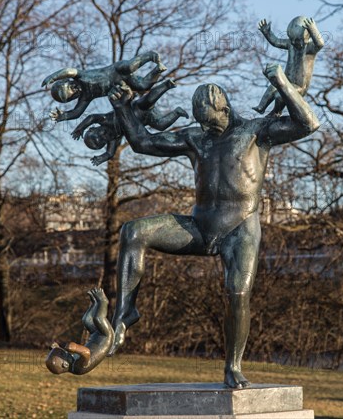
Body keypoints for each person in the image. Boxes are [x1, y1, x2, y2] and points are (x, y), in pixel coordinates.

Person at [106, 63, 320, 389]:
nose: (205, 127)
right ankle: (125, 312)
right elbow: (143, 143)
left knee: (237, 290)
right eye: (200, 121)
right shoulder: (195, 138)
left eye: (209, 119)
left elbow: (308, 123)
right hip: (199, 225)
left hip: (241, 227)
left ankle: (233, 366)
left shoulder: (256, 132)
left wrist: (281, 82)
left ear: (224, 107)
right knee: (133, 231)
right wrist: (122, 108)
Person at [71, 79, 189, 166]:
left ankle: (167, 85)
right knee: (161, 125)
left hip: (135, 109)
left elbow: (91, 118)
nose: (104, 136)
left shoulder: (104, 120)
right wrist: (102, 158)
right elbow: (110, 153)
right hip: (146, 120)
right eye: (103, 140)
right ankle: (177, 112)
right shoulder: (113, 139)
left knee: (147, 101)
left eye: (100, 134)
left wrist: (80, 128)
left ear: (94, 128)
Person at [41, 51, 166, 122]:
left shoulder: (81, 76)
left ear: (68, 81)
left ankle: (151, 55)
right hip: (123, 83)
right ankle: (158, 70)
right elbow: (76, 112)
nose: (75, 90)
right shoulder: (86, 97)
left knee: (130, 66)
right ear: (72, 99)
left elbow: (69, 71)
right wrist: (63, 116)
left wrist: (53, 77)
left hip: (117, 70)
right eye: (71, 95)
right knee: (143, 85)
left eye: (70, 87)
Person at [253, 16, 324, 115]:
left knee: (279, 95)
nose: (294, 42)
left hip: (299, 86)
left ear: (307, 36)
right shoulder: (291, 44)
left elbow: (320, 44)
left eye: (297, 40)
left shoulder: (310, 48)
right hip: (286, 80)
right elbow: (276, 42)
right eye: (292, 39)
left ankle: (276, 112)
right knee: (272, 87)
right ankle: (261, 107)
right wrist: (267, 33)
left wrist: (313, 29)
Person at [45, 287, 113, 375]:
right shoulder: (78, 367)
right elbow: (86, 353)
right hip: (105, 336)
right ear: (65, 364)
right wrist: (76, 348)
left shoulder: (71, 361)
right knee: (98, 318)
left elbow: (62, 353)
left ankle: (94, 304)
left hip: (95, 335)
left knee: (86, 320)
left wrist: (56, 348)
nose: (67, 353)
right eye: (65, 354)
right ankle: (103, 301)